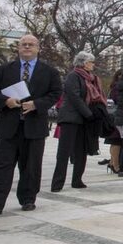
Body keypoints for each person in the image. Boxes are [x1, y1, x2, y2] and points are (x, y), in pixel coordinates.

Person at [0, 34, 62, 216]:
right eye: (23, 44)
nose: (27, 47)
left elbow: (56, 93)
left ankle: (28, 199)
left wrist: (36, 104)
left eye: (31, 44)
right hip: (8, 127)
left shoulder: (49, 71)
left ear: (37, 48)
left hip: (34, 127)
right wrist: (5, 100)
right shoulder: (4, 69)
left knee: (31, 166)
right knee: (2, 166)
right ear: (18, 48)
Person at [51, 51, 107, 192]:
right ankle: (58, 182)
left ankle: (77, 179)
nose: (93, 64)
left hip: (85, 120)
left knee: (81, 150)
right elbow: (74, 97)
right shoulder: (73, 76)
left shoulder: (92, 79)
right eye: (91, 62)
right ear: (83, 63)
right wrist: (88, 113)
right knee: (65, 151)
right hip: (71, 117)